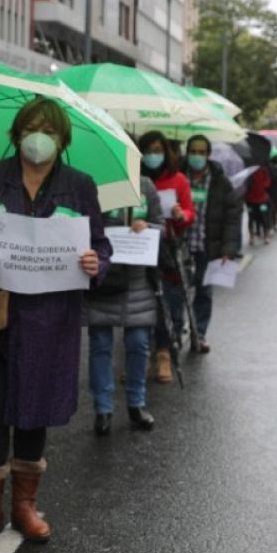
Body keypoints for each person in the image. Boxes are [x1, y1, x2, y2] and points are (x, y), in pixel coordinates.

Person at [0, 97, 112, 548]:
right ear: (17, 133)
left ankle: (24, 506)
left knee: (35, 411)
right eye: (32, 128)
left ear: (63, 140)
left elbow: (100, 244)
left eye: (50, 131)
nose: (39, 138)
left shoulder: (80, 185)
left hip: (50, 321)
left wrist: (98, 262)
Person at [85, 173, 162, 435]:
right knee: (100, 346)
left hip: (138, 278)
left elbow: (161, 226)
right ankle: (103, 408)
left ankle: (136, 404)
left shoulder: (146, 186)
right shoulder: (93, 184)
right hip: (104, 277)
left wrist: (148, 228)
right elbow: (80, 225)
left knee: (138, 343)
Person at [174, 134, 243, 353]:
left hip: (207, 246)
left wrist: (228, 250)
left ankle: (199, 333)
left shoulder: (220, 182)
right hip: (180, 245)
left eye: (201, 152)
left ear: (208, 155)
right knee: (176, 292)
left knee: (204, 292)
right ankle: (175, 333)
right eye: (193, 151)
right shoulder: (177, 177)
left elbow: (232, 216)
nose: (197, 156)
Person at [138, 131, 196, 384]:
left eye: (157, 150)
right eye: (148, 150)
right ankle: (140, 357)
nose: (153, 155)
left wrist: (180, 215)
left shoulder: (179, 180)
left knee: (167, 304)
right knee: (141, 305)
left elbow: (189, 212)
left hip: (169, 249)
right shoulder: (135, 180)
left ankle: (163, 355)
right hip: (139, 250)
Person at [245, 160, 273, 246]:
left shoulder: (250, 169)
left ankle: (252, 237)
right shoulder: (262, 169)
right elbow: (267, 183)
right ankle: (265, 236)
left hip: (254, 200)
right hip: (259, 199)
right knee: (264, 217)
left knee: (252, 217)